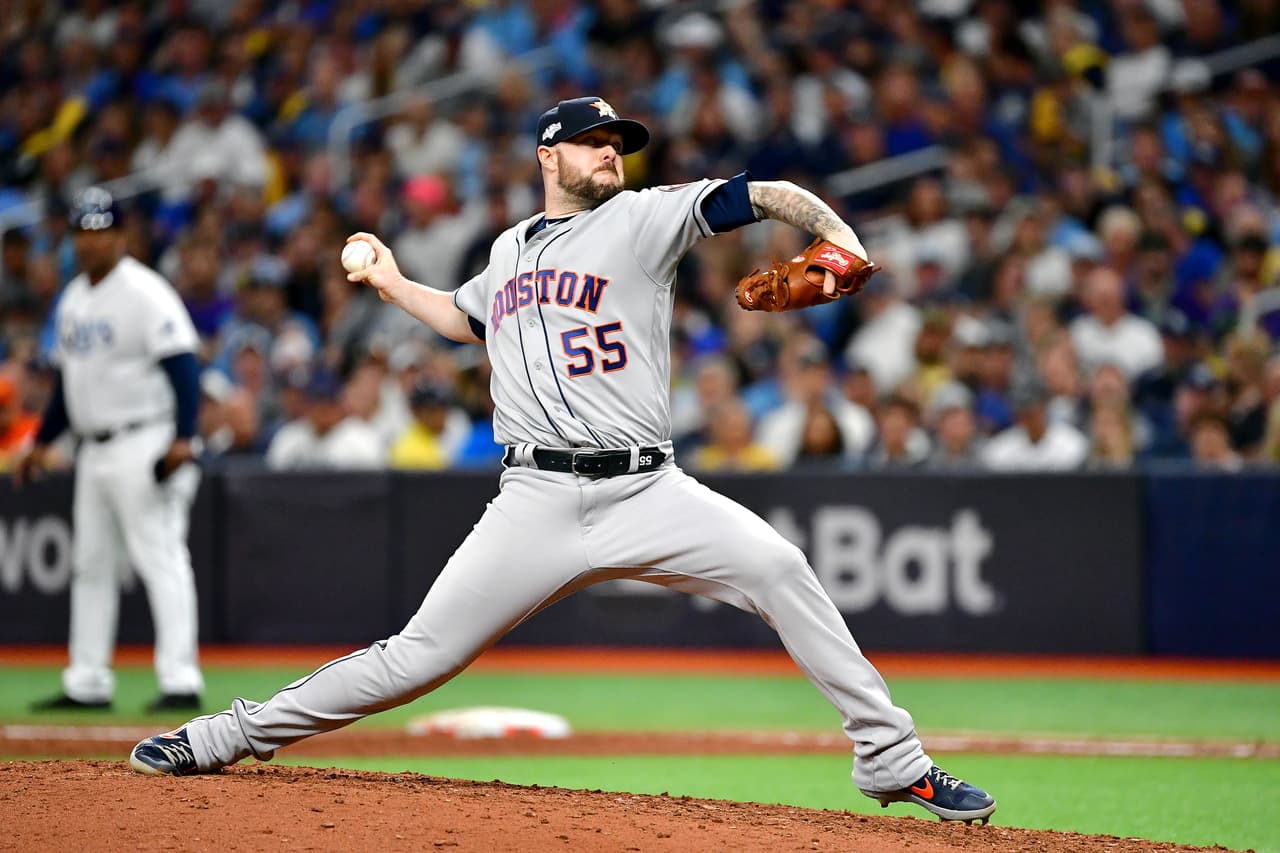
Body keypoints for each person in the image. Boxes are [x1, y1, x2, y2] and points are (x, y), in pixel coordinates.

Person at [128, 96, 995, 824]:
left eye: (618, 143)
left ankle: (889, 757)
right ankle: (223, 736)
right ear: (551, 154)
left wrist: (837, 234)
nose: (612, 153)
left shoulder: (642, 218)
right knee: (416, 658)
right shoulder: (507, 251)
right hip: (534, 495)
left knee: (778, 565)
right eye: (594, 142)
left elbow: (763, 193)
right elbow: (465, 321)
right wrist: (392, 282)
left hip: (648, 486)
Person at [15, 187, 206, 713]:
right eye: (82, 232)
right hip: (92, 448)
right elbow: (66, 386)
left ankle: (181, 678)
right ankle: (87, 681)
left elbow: (183, 367)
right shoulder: (75, 296)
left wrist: (183, 437)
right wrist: (41, 443)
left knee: (160, 556)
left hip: (144, 438)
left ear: (122, 236)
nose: (90, 242)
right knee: (90, 565)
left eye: (100, 232)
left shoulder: (145, 292)